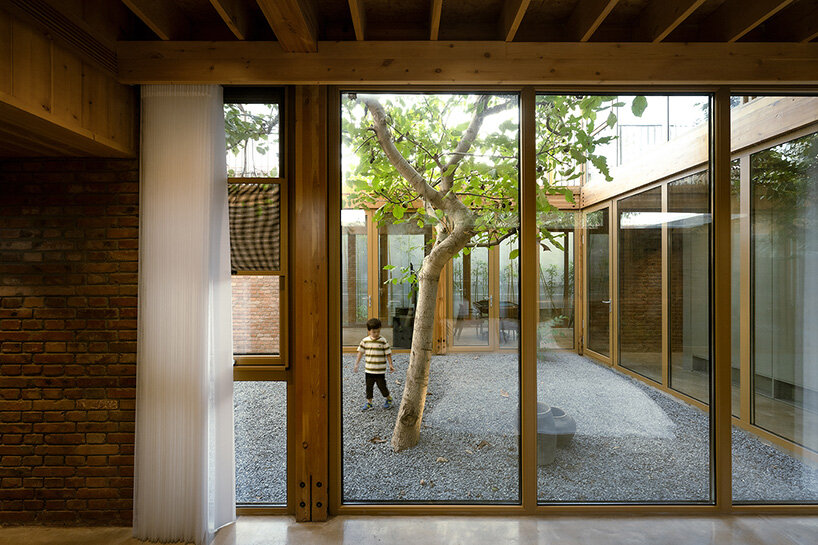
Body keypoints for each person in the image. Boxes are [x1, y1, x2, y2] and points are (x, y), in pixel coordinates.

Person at [353, 317, 395, 411]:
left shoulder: (383, 341)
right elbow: (360, 353)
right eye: (374, 332)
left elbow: (388, 353)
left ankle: (388, 398)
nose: (376, 334)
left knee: (382, 386)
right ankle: (369, 403)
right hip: (369, 370)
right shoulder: (365, 341)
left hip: (380, 370)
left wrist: (391, 364)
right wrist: (357, 364)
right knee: (369, 387)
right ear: (369, 331)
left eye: (378, 332)